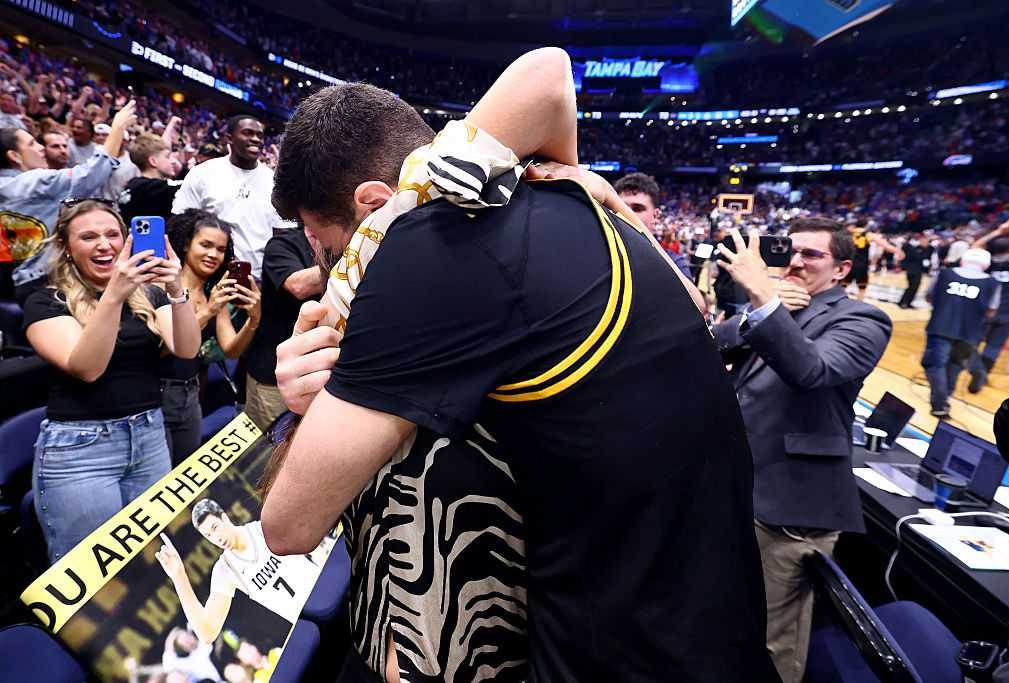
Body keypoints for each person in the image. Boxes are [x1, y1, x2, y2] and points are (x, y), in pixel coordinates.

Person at [261, 51, 778, 682]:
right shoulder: (596, 217)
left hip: (612, 656)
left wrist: (312, 397)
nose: (333, 272)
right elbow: (550, 73)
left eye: (330, 243)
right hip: (716, 630)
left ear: (375, 206)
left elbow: (287, 525)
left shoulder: (428, 252)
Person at [714, 218, 893, 683]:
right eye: (790, 251)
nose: (795, 261)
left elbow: (813, 370)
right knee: (728, 618)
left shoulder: (863, 319)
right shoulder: (780, 307)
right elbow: (713, 343)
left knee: (773, 637)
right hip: (739, 490)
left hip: (790, 505)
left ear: (841, 270)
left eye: (811, 255)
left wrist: (764, 299)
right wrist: (762, 311)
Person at [22, 200, 200, 562]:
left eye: (112, 235)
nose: (104, 245)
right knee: (91, 569)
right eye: (88, 237)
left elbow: (187, 347)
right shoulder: (45, 300)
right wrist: (115, 294)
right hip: (81, 452)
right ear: (66, 248)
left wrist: (175, 288)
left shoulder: (148, 294)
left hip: (149, 437)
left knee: (151, 556)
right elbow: (88, 368)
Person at [1, 101, 136, 301]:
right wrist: (117, 128)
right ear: (14, 155)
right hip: (45, 278)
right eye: (32, 144)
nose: (40, 148)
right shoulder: (32, 181)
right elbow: (92, 173)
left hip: (17, 283)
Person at [154, 498, 329, 644]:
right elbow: (207, 632)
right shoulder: (225, 570)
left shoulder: (264, 528)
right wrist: (179, 576)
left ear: (224, 517)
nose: (217, 538)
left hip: (328, 594)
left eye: (215, 527)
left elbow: (317, 552)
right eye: (208, 535)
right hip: (310, 624)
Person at [161, 210, 260, 463]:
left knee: (184, 470)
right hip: (156, 394)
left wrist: (254, 319)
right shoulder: (160, 286)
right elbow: (164, 346)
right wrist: (208, 311)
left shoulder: (212, 291)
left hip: (192, 393)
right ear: (185, 244)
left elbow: (231, 350)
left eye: (220, 249)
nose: (213, 255)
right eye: (205, 245)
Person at [172, 115, 286, 280]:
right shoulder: (203, 173)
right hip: (207, 276)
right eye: (248, 133)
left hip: (258, 277)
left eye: (260, 135)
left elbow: (281, 233)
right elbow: (180, 224)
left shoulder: (274, 182)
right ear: (229, 138)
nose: (256, 139)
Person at [241, 226, 320, 430]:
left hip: (316, 371)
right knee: (271, 443)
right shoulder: (283, 245)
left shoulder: (340, 243)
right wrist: (355, 259)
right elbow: (298, 286)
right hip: (272, 375)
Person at [923, 248, 1000, 417]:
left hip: (940, 327)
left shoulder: (945, 274)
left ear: (963, 259)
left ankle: (940, 402)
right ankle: (946, 398)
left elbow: (929, 296)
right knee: (955, 365)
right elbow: (992, 310)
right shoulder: (993, 283)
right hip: (970, 332)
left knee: (933, 364)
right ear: (986, 264)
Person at [969, 219, 1009, 392]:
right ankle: (981, 374)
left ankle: (977, 370)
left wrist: (999, 231)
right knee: (994, 346)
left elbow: (975, 247)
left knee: (971, 343)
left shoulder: (990, 262)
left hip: (988, 311)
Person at [614, 171, 693, 280]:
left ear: (655, 216)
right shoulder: (600, 254)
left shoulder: (674, 262)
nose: (627, 214)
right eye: (621, 207)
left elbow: (693, 297)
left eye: (637, 208)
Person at [119, 133, 183, 225]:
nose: (173, 161)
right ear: (153, 161)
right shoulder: (152, 188)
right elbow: (190, 185)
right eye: (167, 157)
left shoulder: (134, 185)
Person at [898, 230, 933, 308]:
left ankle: (908, 302)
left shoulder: (928, 250)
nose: (926, 242)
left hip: (919, 271)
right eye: (924, 240)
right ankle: (903, 302)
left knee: (915, 288)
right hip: (912, 271)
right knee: (911, 287)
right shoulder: (914, 249)